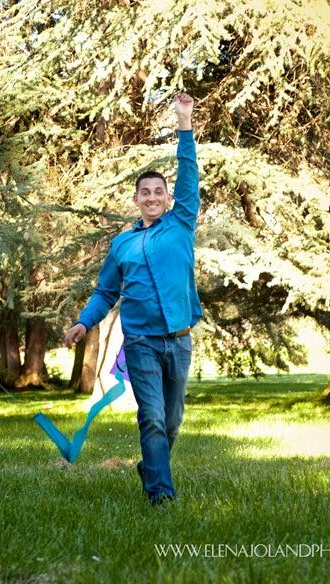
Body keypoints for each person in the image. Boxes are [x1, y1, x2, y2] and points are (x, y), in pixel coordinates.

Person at [63, 93, 200, 505]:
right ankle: (161, 493)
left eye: (159, 191)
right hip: (140, 341)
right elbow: (106, 291)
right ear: (137, 199)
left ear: (167, 197)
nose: (153, 197)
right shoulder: (122, 244)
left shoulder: (182, 223)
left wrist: (184, 122)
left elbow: (189, 173)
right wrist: (85, 322)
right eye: (146, 192)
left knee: (172, 421)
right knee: (152, 418)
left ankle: (151, 466)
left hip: (179, 340)